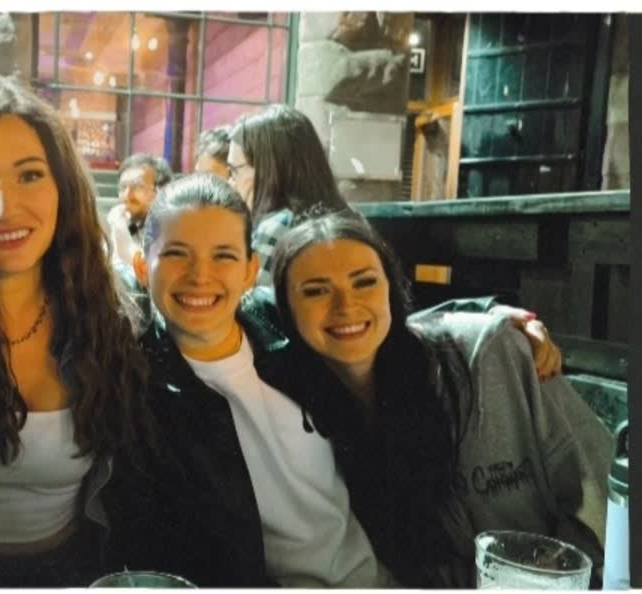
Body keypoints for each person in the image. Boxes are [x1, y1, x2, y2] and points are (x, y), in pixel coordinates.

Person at [107, 175, 562, 587]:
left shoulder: (278, 323)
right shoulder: (137, 389)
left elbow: (373, 320)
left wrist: (493, 317)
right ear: (143, 267)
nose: (200, 276)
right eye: (176, 254)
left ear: (248, 270)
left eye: (223, 255)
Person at [271, 210, 614, 587]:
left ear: (391, 289)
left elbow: (603, 494)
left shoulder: (490, 355)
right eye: (316, 290)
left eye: (365, 282)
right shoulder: (295, 414)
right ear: (286, 308)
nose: (346, 306)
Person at [0, 73, 153, 586]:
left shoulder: (108, 317)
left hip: (70, 573)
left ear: (62, 188)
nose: (4, 208)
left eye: (29, 175)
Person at [227, 104, 349, 284]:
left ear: (266, 170)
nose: (230, 183)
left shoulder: (276, 228)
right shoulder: (346, 217)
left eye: (234, 171)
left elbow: (252, 299)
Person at [105, 153, 174, 269]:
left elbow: (153, 275)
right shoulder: (120, 223)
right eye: (123, 187)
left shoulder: (175, 232)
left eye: (138, 186)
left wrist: (124, 242)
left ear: (161, 191)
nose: (127, 195)